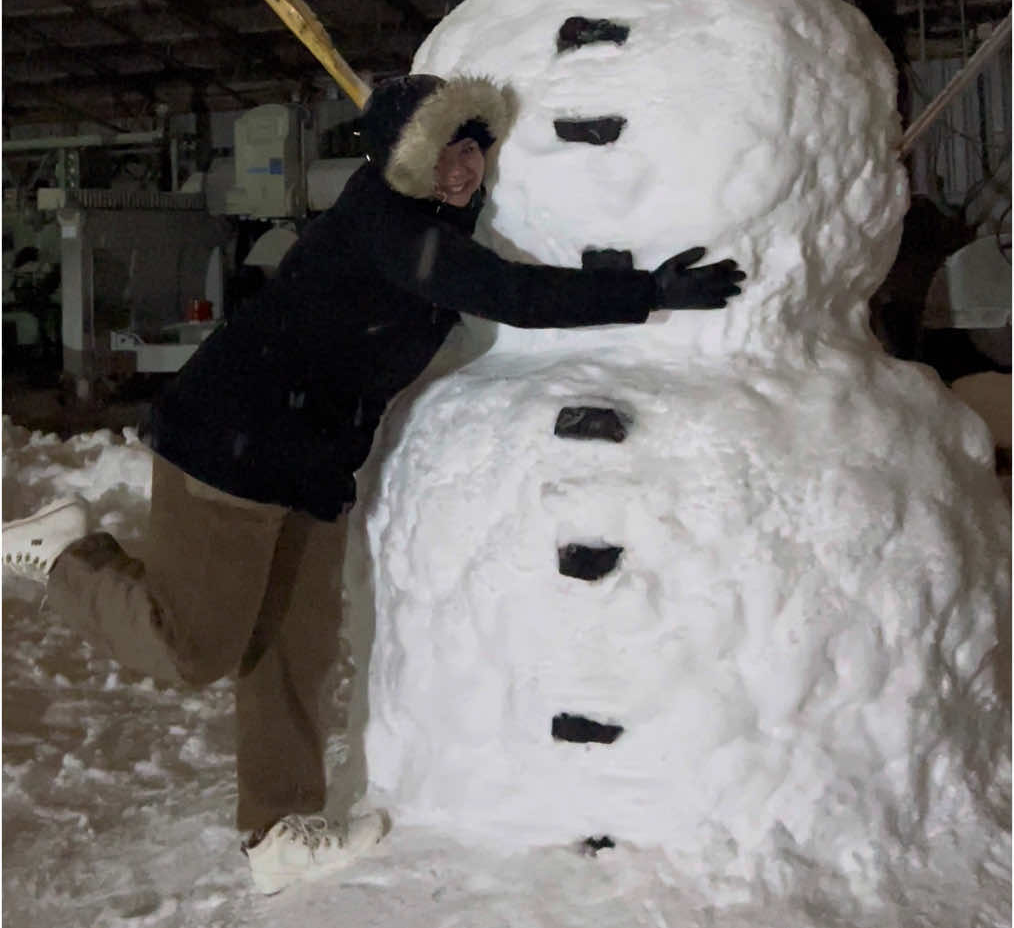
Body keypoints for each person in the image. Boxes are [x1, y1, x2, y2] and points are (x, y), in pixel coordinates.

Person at [2, 73, 745, 896]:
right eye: (444, 152)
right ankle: (68, 556)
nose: (462, 168)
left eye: (474, 150)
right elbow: (509, 292)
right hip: (229, 444)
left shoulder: (432, 226)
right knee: (195, 646)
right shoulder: (388, 225)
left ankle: (278, 829)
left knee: (293, 649)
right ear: (405, 158)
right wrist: (649, 292)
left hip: (310, 463)